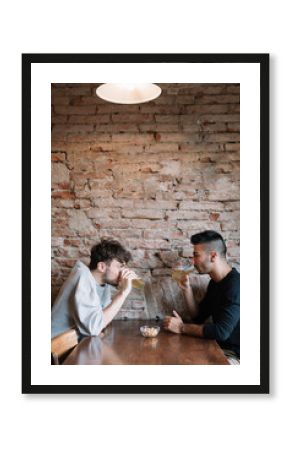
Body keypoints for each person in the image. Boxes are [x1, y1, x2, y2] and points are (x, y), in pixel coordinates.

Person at [163, 230, 240, 364]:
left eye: (196, 255)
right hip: (217, 347)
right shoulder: (215, 282)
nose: (193, 262)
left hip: (235, 355)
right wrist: (187, 289)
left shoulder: (235, 285)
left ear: (213, 256)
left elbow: (221, 332)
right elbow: (198, 317)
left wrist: (181, 327)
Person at [51, 238, 137, 339]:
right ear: (101, 267)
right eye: (120, 267)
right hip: (56, 349)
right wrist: (123, 293)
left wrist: (122, 288)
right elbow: (95, 328)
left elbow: (103, 319)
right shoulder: (82, 277)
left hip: (76, 344)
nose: (124, 272)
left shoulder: (103, 282)